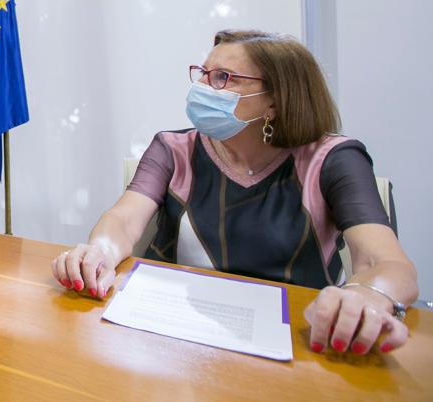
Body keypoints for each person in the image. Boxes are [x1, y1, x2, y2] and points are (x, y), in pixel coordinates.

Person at [53, 30, 418, 354]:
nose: (202, 88)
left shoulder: (334, 159)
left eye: (223, 78)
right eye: (202, 74)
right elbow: (124, 220)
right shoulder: (172, 147)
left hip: (299, 343)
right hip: (176, 337)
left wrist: (368, 295)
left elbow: (384, 263)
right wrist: (99, 251)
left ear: (274, 101)